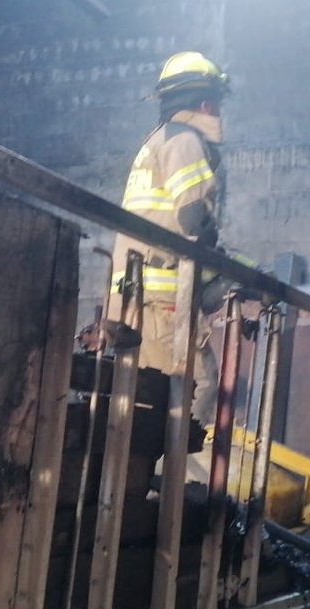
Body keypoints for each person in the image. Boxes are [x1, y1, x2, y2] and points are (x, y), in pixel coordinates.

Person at [108, 51, 229, 426]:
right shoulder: (184, 141)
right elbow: (193, 218)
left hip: (137, 297)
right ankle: (179, 484)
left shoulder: (158, 140)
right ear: (206, 102)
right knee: (194, 392)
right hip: (159, 303)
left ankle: (149, 481)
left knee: (144, 406)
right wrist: (221, 271)